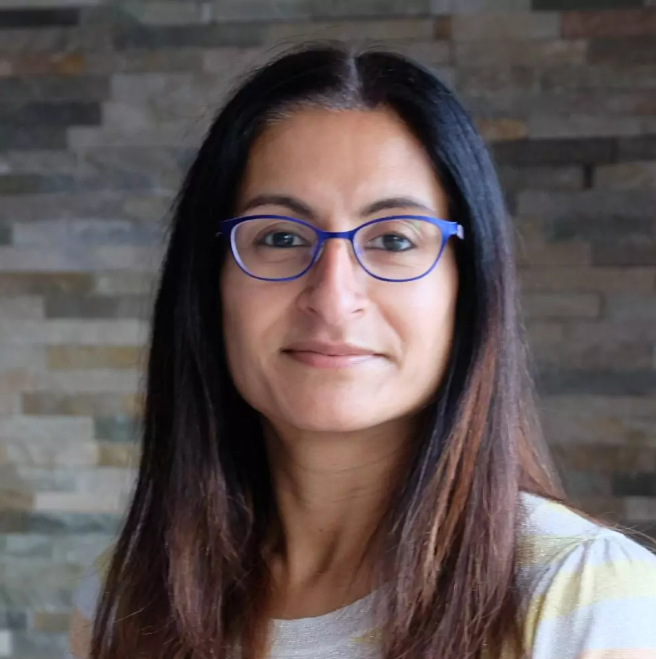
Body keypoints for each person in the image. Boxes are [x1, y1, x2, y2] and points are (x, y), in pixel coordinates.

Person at [67, 44, 656, 659]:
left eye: (394, 240)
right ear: (208, 282)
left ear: (469, 286)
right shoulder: (123, 601)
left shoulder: (588, 599)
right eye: (281, 237)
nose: (333, 297)